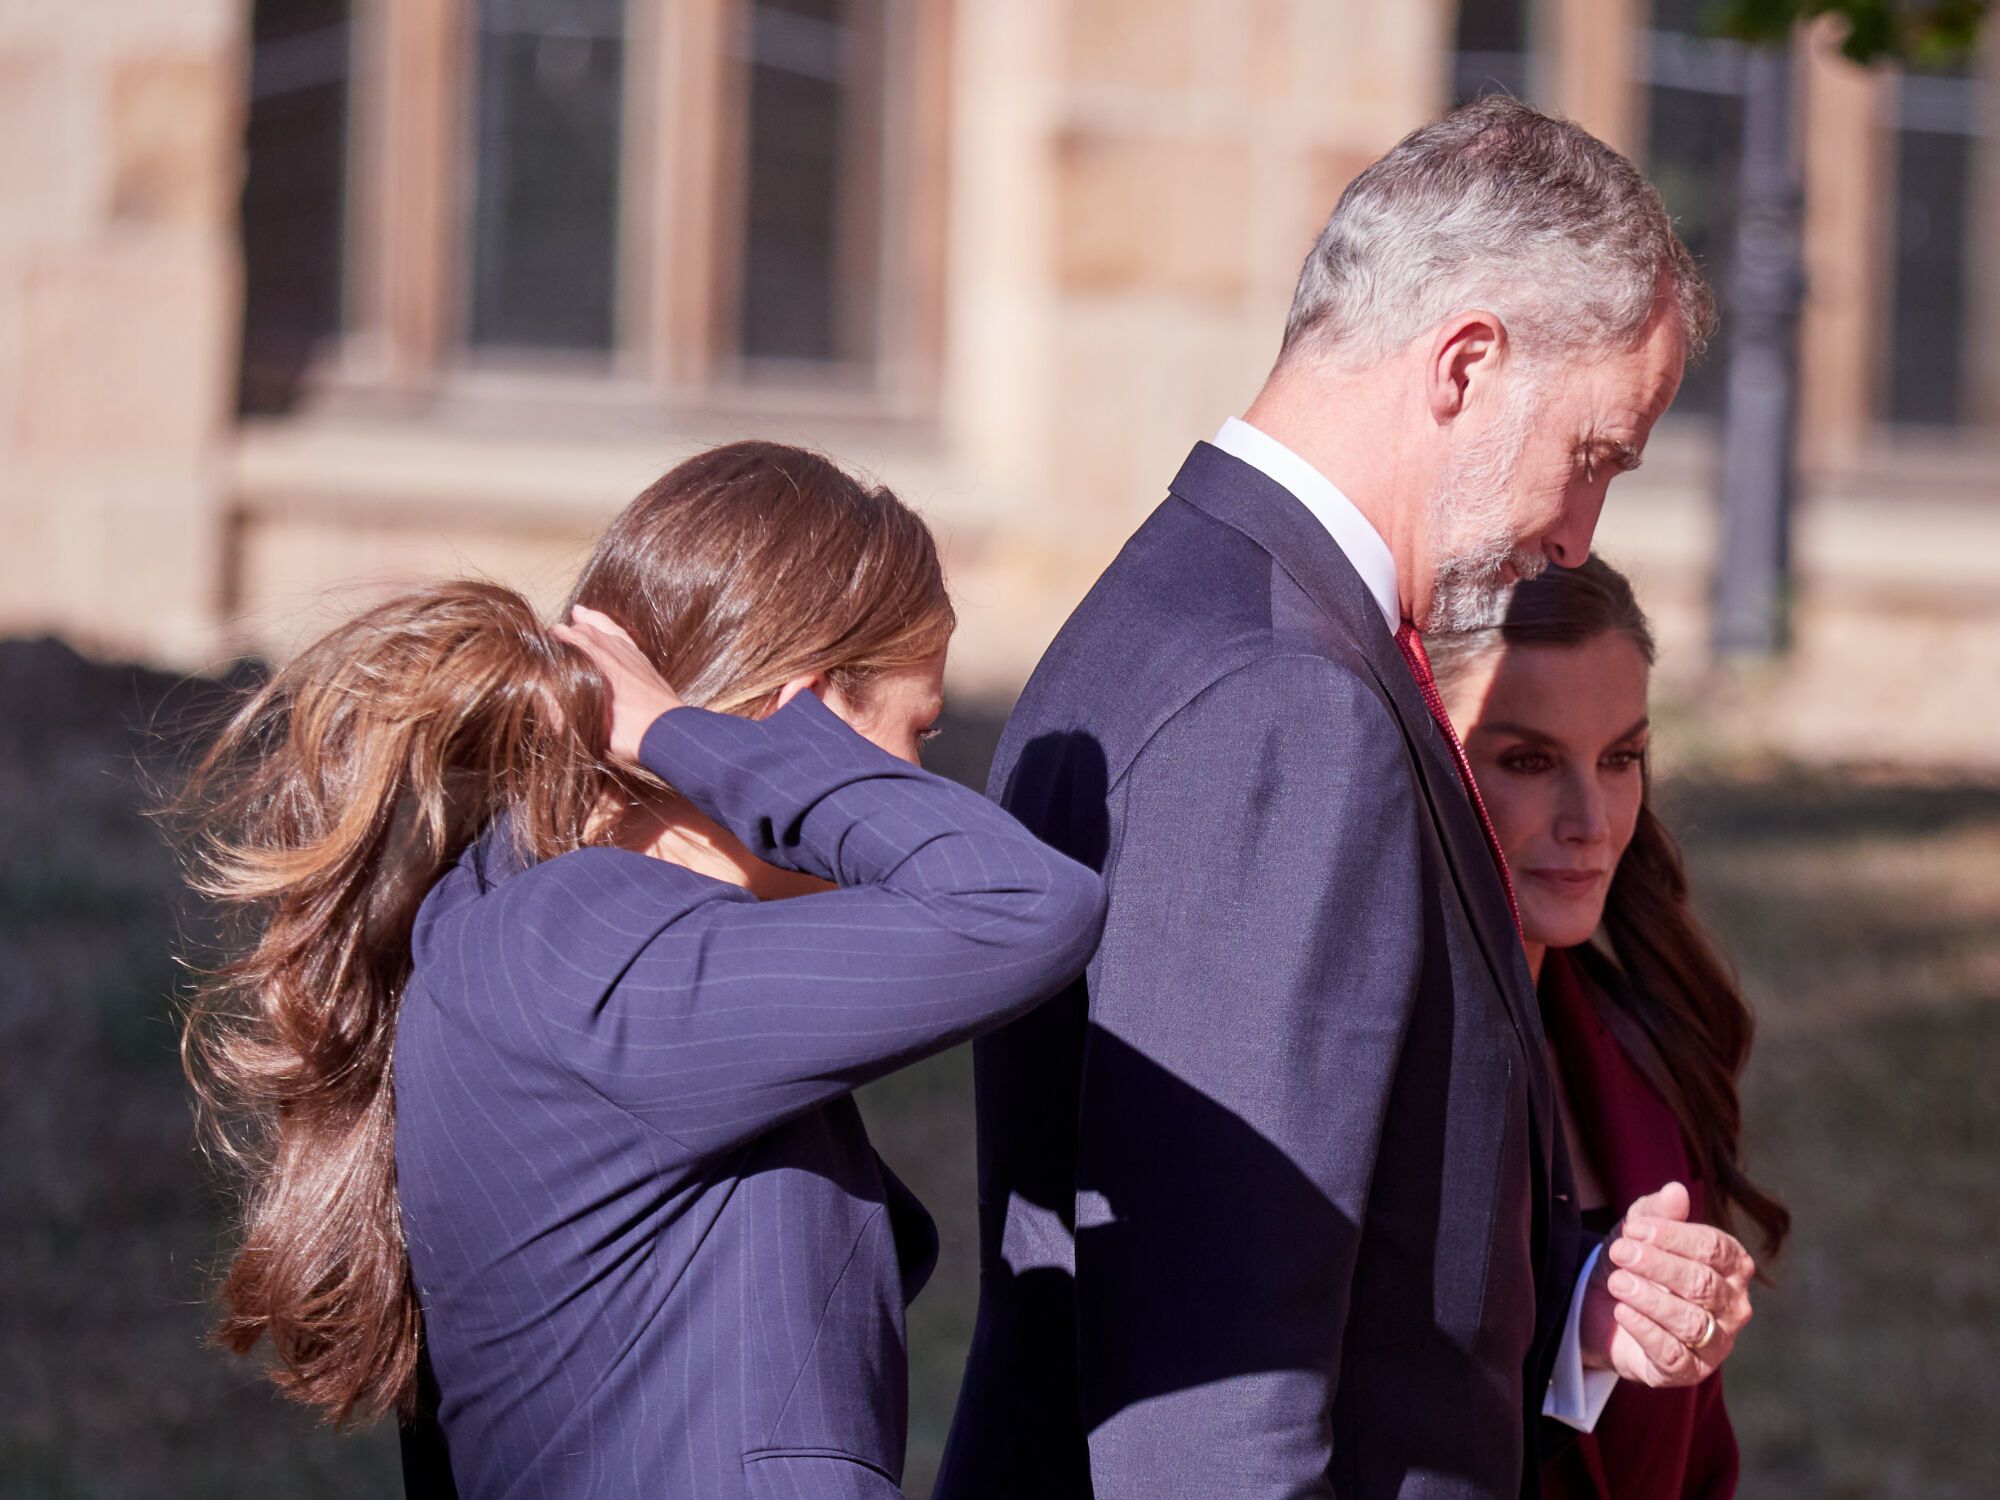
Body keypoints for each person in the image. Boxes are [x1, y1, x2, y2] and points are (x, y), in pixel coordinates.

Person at [937, 98, 1757, 1500]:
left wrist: (1570, 1325)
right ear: (1468, 364)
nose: (1579, 534)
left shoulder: (1190, 599)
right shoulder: (1284, 698)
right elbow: (1216, 1380)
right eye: (1597, 456)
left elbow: (1318, 1229)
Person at [175, 441, 1106, 1500]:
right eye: (912, 733)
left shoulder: (536, 926)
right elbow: (1024, 903)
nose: (914, 781)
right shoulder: (595, 947)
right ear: (796, 712)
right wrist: (690, 735)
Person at [1426, 556, 1791, 1500]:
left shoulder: (1648, 1058)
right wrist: (1578, 1328)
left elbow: (1699, 1463)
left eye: (1620, 759)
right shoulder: (1380, 1065)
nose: (1591, 821)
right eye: (1528, 761)